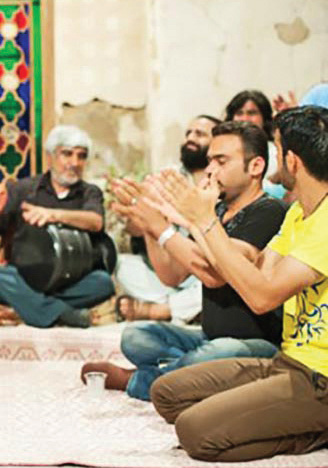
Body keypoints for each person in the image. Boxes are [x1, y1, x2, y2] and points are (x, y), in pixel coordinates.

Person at [149, 106, 328, 462]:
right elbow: (256, 271)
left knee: (195, 432)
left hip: (320, 378)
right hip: (288, 360)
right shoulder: (298, 213)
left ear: (292, 161)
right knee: (167, 392)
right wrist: (193, 221)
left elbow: (261, 297)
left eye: (275, 149)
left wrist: (202, 222)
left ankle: (313, 432)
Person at [82, 121, 286, 401]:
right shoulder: (217, 210)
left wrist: (174, 225)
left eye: (221, 161)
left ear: (255, 166)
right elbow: (173, 275)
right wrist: (152, 226)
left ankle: (141, 380)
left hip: (256, 347)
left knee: (221, 353)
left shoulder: (269, 211)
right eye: (210, 160)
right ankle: (190, 374)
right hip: (207, 339)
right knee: (136, 336)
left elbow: (218, 274)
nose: (211, 169)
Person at [0, 125, 114, 328]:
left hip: (72, 281)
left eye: (81, 156)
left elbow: (95, 222)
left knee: (103, 282)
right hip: (26, 277)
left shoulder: (89, 192)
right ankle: (62, 313)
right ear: (50, 157)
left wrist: (53, 215)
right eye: (67, 154)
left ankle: (36, 308)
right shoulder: (24, 189)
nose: (74, 163)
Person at [113, 115, 221, 324]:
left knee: (216, 283)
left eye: (199, 134)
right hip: (171, 271)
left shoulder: (220, 183)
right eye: (188, 133)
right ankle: (181, 307)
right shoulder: (168, 175)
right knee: (123, 265)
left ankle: (162, 310)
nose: (190, 138)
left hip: (205, 269)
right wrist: (141, 217)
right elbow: (143, 229)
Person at [223, 89, 282, 197]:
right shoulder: (220, 150)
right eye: (239, 113)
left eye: (252, 113)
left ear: (264, 118)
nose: (244, 119)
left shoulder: (276, 153)